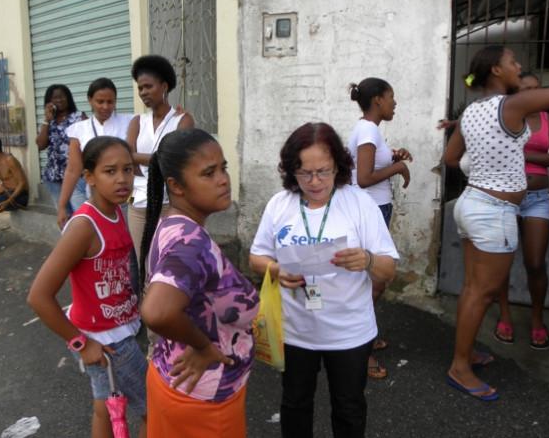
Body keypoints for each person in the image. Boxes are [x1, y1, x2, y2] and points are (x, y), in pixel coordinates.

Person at [443, 45, 549, 401]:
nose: (518, 66)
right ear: (496, 71)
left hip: (472, 203)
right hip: (493, 212)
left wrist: (486, 169)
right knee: (482, 291)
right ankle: (460, 367)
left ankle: (466, 352)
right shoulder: (512, 105)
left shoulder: (473, 110)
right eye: (512, 62)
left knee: (473, 287)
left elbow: (450, 157)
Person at [249, 122, 398, 438]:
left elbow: (388, 269)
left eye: (324, 171)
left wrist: (368, 260)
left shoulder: (359, 203)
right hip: (296, 331)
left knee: (348, 408)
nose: (315, 181)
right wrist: (276, 270)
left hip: (349, 333)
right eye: (304, 173)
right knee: (295, 405)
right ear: (292, 171)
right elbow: (256, 257)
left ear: (338, 167)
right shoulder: (280, 205)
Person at [139, 129, 259, 438]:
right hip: (204, 401)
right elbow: (157, 312)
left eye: (223, 168)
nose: (223, 179)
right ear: (176, 186)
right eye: (209, 173)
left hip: (173, 379)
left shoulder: (173, 224)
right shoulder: (190, 243)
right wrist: (204, 346)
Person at [27, 136, 147, 438]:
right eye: (110, 171)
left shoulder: (118, 207)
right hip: (108, 341)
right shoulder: (84, 226)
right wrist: (81, 344)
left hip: (116, 328)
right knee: (153, 409)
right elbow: (39, 297)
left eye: (128, 170)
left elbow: (141, 205)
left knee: (105, 407)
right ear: (89, 177)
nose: (122, 179)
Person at [494, 72, 549, 349]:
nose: (534, 94)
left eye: (538, 89)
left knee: (535, 263)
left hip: (537, 197)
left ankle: (537, 319)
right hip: (506, 196)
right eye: (527, 89)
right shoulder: (507, 118)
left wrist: (522, 154)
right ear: (516, 92)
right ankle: (504, 315)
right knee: (501, 261)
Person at [347, 77, 411, 379]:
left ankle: (365, 338)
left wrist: (393, 157)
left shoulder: (369, 130)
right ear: (377, 101)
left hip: (373, 210)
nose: (394, 103)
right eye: (391, 97)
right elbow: (364, 177)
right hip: (370, 212)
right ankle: (362, 349)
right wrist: (397, 168)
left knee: (373, 281)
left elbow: (370, 166)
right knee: (374, 284)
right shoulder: (368, 130)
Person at [127, 55, 194, 262]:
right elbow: (127, 159)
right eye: (140, 88)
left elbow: (175, 160)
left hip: (170, 204)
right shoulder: (138, 121)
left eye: (148, 86)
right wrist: (157, 159)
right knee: (144, 264)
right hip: (139, 205)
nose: (143, 92)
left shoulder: (183, 120)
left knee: (170, 263)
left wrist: (139, 158)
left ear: (164, 86)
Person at [56, 78, 133, 229]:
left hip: (127, 197)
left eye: (110, 102)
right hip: (94, 197)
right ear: (90, 100)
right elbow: (73, 170)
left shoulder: (131, 122)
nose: (105, 106)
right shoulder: (79, 129)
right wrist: (62, 206)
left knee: (128, 241)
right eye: (100, 101)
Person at [35, 84, 86, 216]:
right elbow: (41, 145)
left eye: (62, 97)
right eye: (54, 98)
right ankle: (69, 237)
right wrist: (46, 120)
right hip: (54, 176)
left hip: (75, 175)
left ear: (68, 98)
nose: (59, 100)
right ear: (49, 102)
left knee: (80, 213)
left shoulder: (79, 117)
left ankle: (83, 237)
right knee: (64, 214)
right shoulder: (50, 121)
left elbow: (89, 144)